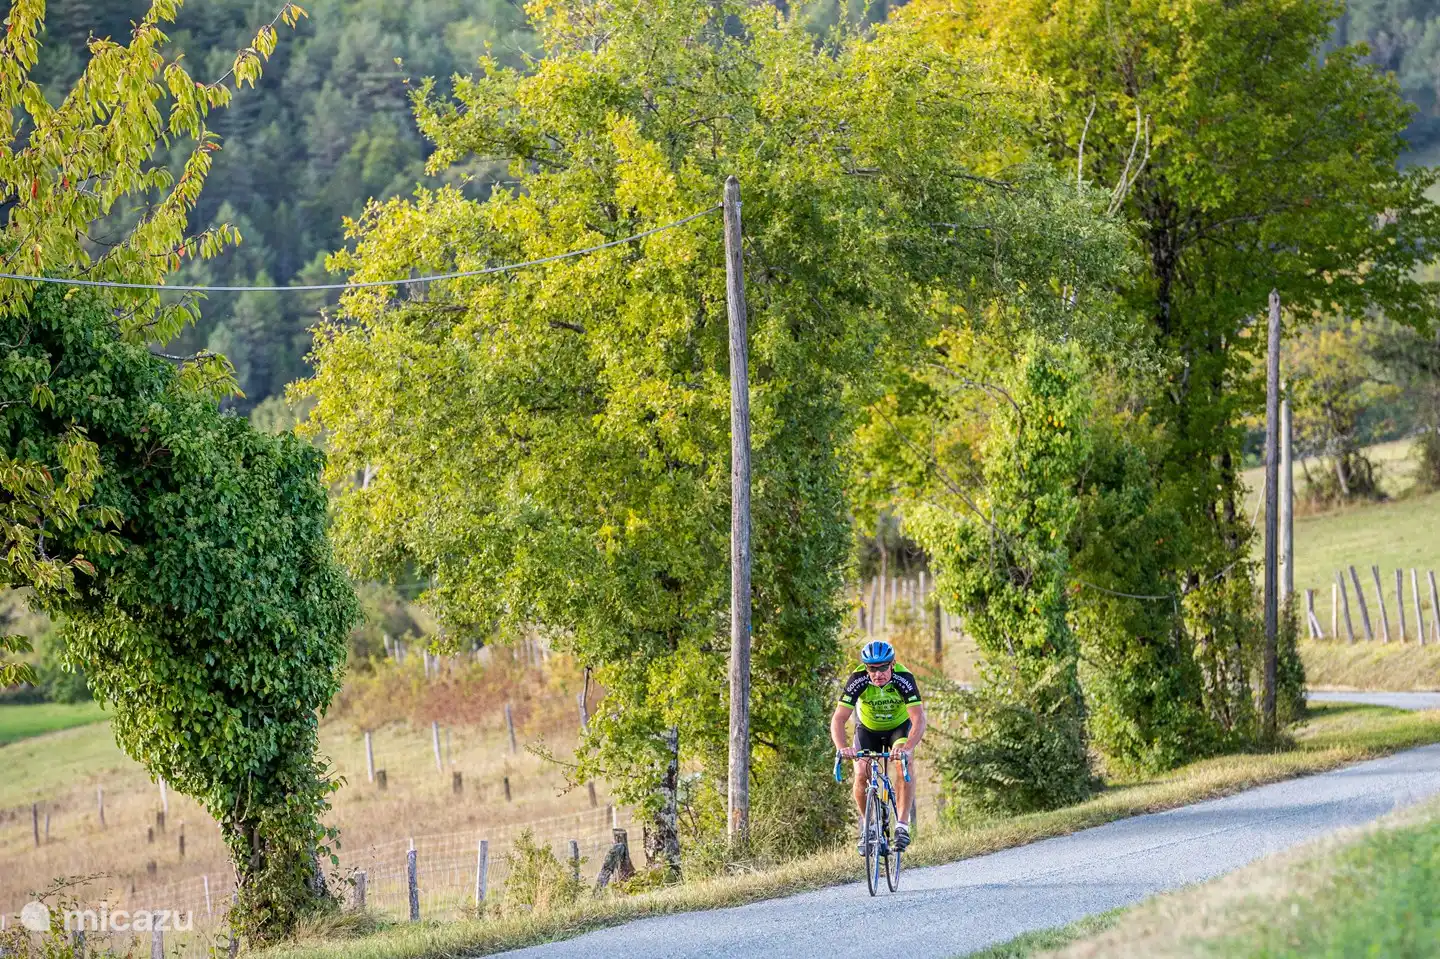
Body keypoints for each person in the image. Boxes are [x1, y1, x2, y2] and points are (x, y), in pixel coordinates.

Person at [830, 639, 925, 853]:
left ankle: (902, 826)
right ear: (866, 668)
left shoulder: (904, 678)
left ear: (892, 664)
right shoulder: (858, 679)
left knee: (904, 763)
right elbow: (838, 719)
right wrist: (842, 747)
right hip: (868, 729)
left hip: (898, 729)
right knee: (861, 772)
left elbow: (918, 718)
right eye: (872, 668)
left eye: (883, 667)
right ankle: (869, 826)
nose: (877, 673)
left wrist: (907, 747)